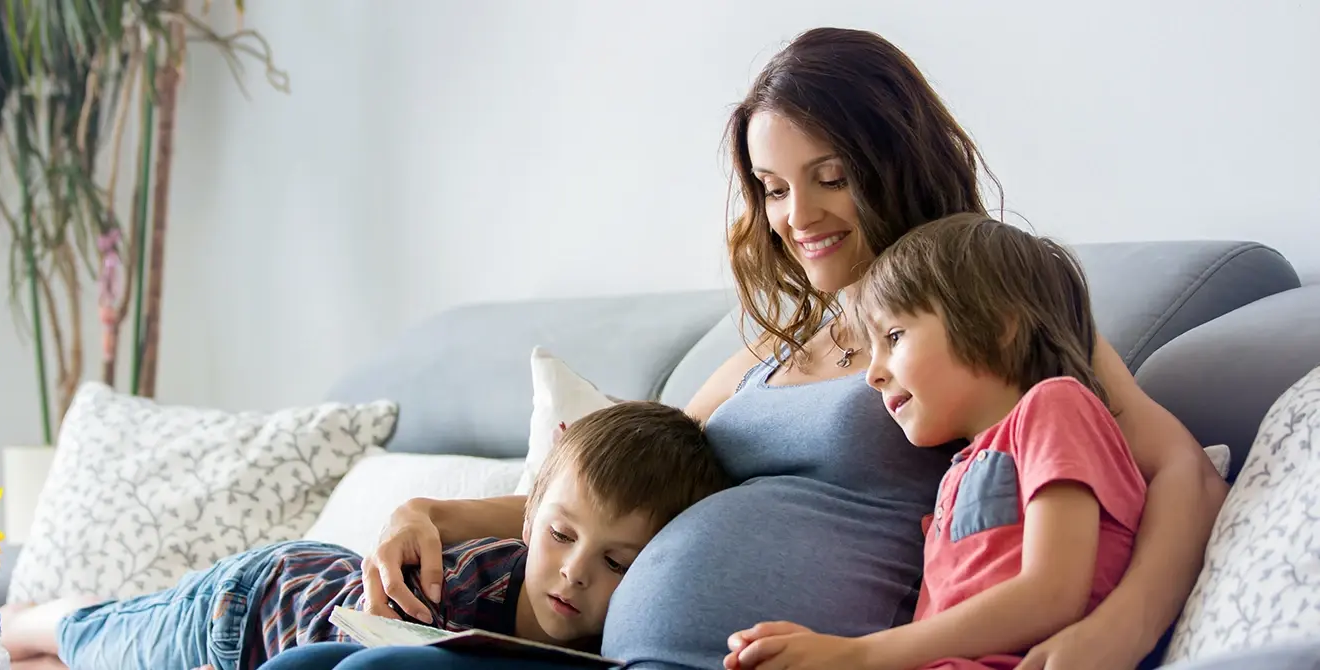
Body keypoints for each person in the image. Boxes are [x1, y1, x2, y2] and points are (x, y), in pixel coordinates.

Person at [263, 26, 1225, 670]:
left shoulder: (982, 324)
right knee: (316, 659)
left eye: (830, 175)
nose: (796, 216)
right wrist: (432, 508)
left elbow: (1177, 463)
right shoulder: (771, 349)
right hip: (613, 658)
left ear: (896, 158)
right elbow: (610, 491)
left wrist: (1118, 628)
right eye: (771, 187)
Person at [0, 401, 731, 670]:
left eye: (616, 562)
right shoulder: (469, 585)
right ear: (532, 509)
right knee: (93, 637)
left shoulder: (623, 638)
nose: (573, 575)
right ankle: (35, 616)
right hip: (250, 608)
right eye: (561, 536)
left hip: (289, 606)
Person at [722, 213, 1147, 670]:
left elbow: (1053, 594)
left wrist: (854, 654)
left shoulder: (1056, 407)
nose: (873, 373)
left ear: (998, 323)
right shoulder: (956, 473)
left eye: (894, 337)